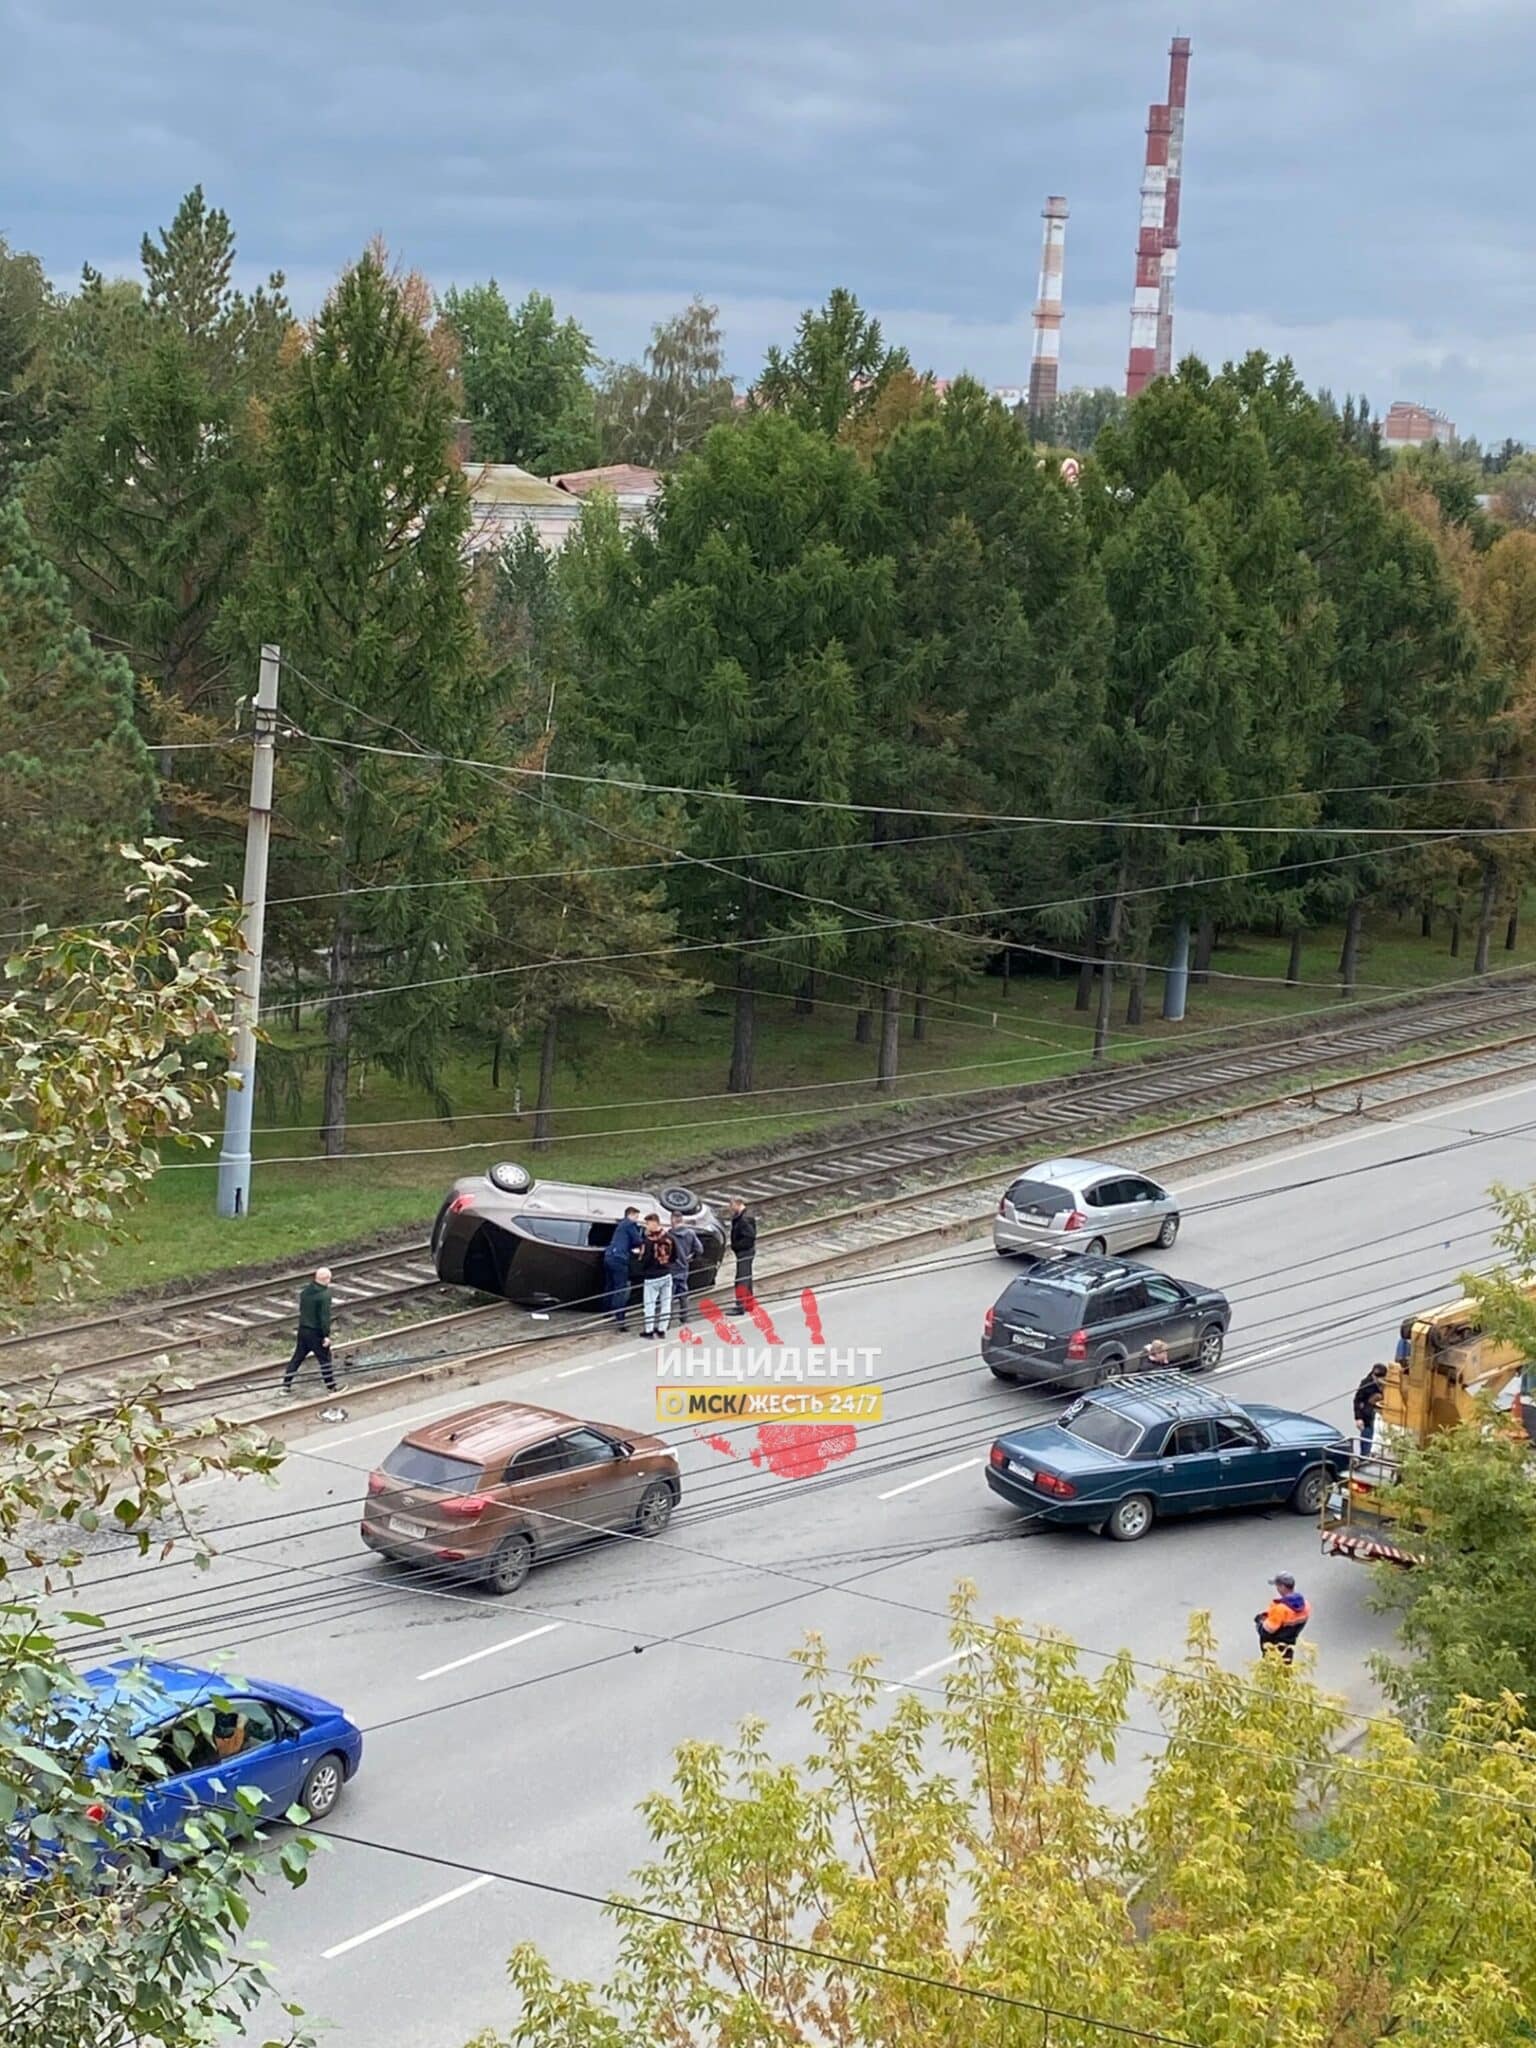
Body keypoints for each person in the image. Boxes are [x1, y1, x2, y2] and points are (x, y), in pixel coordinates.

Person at [283, 1267, 336, 1393]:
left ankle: (286, 1384)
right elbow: (324, 1317)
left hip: (303, 1329)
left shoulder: (306, 1291)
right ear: (327, 1279)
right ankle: (332, 1387)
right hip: (316, 1332)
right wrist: (326, 1335)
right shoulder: (324, 1295)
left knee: (297, 1357)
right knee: (325, 1360)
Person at [601, 1205, 645, 1331]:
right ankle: (620, 1319)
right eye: (636, 1216)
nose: (637, 1219)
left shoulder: (620, 1226)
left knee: (610, 1285)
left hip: (609, 1256)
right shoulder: (630, 1225)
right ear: (630, 1215)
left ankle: (606, 1311)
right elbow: (637, 1241)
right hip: (619, 1259)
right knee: (620, 1288)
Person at [1255, 1573, 1310, 1663]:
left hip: (1275, 1651)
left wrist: (1259, 1622)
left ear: (1282, 1587)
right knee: (1286, 1669)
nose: (1277, 1589)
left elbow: (1267, 1631)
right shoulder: (1306, 1605)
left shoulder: (1280, 1609)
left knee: (1272, 1673)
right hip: (1289, 1646)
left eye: (1277, 1586)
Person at [638, 1213, 676, 1340]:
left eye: (647, 1224)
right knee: (666, 1304)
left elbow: (645, 1260)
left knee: (649, 1304)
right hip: (666, 1274)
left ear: (653, 1223)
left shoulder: (648, 1241)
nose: (646, 1227)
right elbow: (675, 1256)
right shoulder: (669, 1238)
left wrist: (641, 1269)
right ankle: (662, 1330)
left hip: (652, 1277)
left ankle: (649, 1330)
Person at [668, 1210, 704, 1332]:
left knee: (669, 1295)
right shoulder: (690, 1233)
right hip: (683, 1267)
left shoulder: (669, 1235)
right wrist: (691, 1257)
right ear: (681, 1220)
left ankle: (667, 1321)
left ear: (673, 1219)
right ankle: (684, 1317)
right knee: (683, 1292)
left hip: (671, 1268)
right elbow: (699, 1249)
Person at [728, 1197, 757, 1318]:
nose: (730, 1207)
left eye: (731, 1205)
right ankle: (749, 1303)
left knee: (741, 1278)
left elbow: (750, 1236)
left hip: (745, 1251)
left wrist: (738, 1246)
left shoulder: (744, 1219)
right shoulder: (742, 1216)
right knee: (747, 1277)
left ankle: (740, 1306)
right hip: (745, 1251)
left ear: (738, 1204)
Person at [1353, 1362, 1388, 1454]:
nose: (1378, 1380)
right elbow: (1357, 1400)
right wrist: (1358, 1418)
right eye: (1376, 1377)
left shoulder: (1387, 1385)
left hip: (1381, 1419)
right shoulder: (1366, 1384)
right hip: (1368, 1419)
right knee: (1366, 1444)